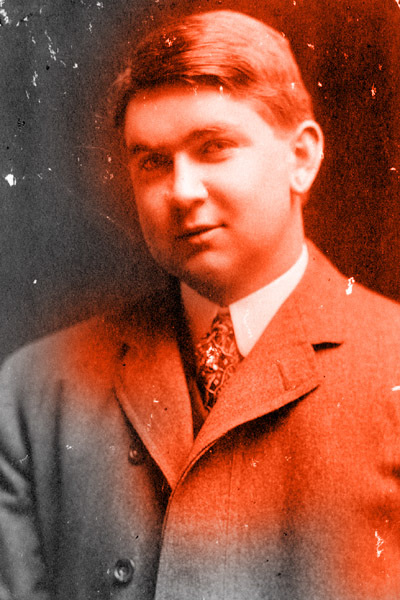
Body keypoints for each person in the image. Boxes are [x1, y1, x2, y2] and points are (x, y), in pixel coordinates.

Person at [1, 9, 400, 600]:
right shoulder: (36, 390)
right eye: (152, 161)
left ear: (302, 158)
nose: (182, 191)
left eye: (213, 148)